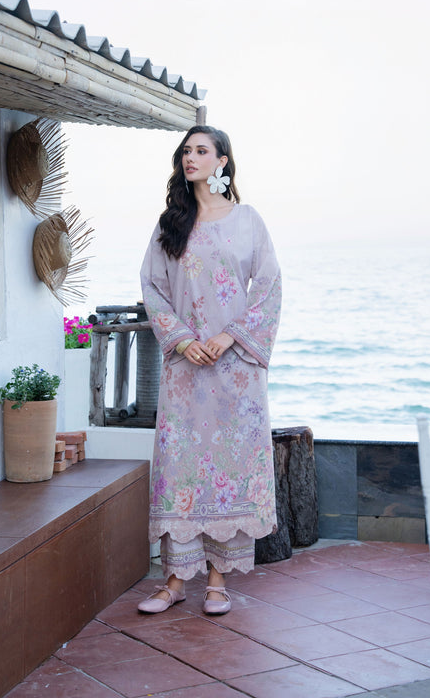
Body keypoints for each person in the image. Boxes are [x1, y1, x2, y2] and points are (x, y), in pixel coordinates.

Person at [138, 124, 281, 616]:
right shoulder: (171, 223)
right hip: (186, 368)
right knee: (179, 469)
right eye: (186, 151)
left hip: (235, 369)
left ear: (222, 161)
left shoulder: (248, 220)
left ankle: (218, 581)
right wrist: (182, 339)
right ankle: (175, 581)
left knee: (230, 469)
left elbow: (268, 287)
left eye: (202, 150)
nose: (190, 157)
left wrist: (229, 337)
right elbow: (152, 287)